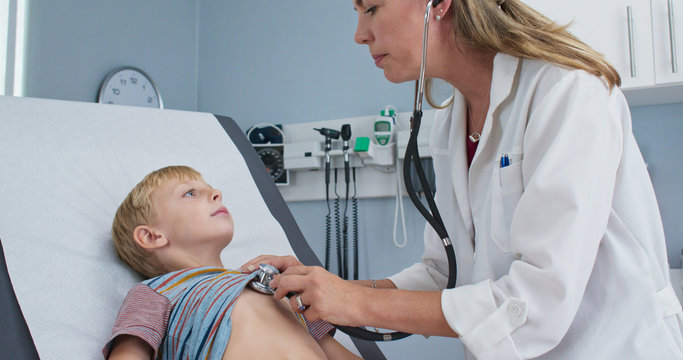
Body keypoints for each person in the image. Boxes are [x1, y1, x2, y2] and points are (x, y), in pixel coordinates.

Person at [241, 0, 683, 359]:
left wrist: (356, 302)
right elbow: (444, 274)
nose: (360, 33)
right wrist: (323, 289)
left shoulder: (566, 90)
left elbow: (540, 303)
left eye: (371, 8)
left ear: (438, 4)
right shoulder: (451, 119)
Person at [103, 165, 360, 360]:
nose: (216, 193)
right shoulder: (157, 291)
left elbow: (332, 350)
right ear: (151, 236)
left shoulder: (277, 284)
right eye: (190, 193)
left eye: (211, 189)